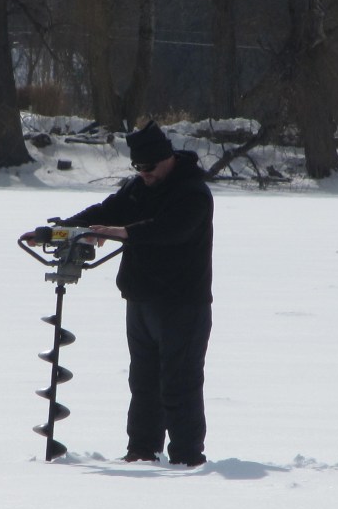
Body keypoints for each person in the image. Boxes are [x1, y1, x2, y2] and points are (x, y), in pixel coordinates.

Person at [24, 120, 213, 466]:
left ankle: (188, 458)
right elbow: (105, 211)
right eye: (137, 167)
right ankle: (141, 451)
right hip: (140, 301)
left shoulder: (192, 192)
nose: (144, 173)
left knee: (179, 385)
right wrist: (60, 230)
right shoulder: (138, 187)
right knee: (143, 384)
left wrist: (121, 232)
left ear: (166, 157)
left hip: (181, 305)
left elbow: (171, 230)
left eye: (149, 166)